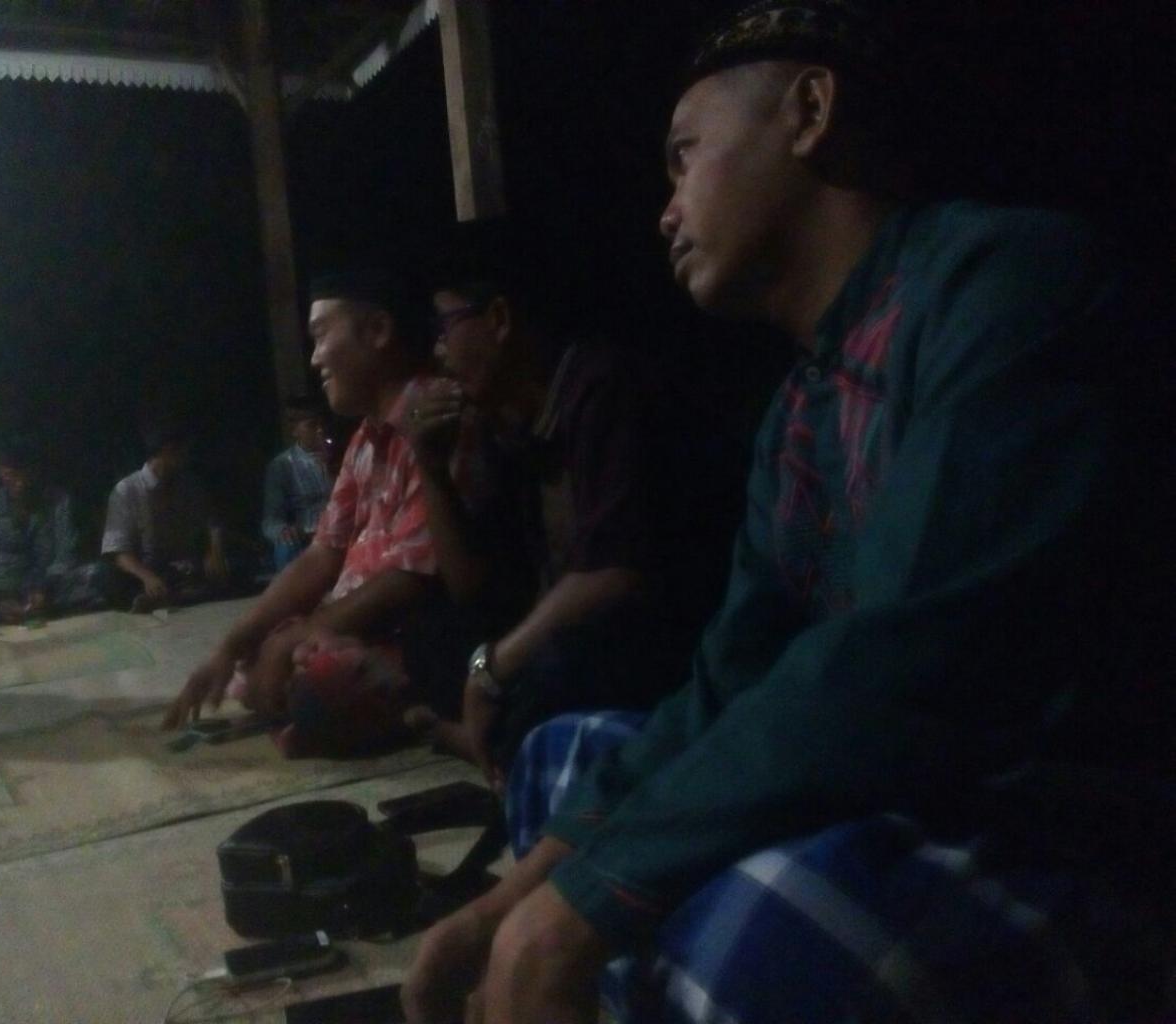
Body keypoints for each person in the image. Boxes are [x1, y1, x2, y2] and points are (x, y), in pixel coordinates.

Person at [402, 4, 1173, 1023]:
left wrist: (586, 905)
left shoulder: (1006, 283)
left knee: (754, 942)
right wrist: (514, 904)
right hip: (891, 789)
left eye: (685, 157)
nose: (665, 212)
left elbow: (908, 662)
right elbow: (731, 679)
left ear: (809, 112)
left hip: (1056, 834)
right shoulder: (801, 406)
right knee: (565, 753)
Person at [404, 262, 721, 785]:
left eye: (443, 329)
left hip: (656, 634)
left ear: (499, 319)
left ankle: (494, 747)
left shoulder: (602, 385)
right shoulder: (504, 422)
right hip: (567, 628)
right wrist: (431, 469)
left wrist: (490, 671)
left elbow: (615, 575)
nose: (437, 352)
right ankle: (498, 741)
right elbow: (472, 589)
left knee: (554, 669)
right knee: (430, 636)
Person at [162, 271, 465, 755]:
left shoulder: (429, 416)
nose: (315, 358)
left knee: (321, 683)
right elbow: (322, 554)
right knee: (264, 658)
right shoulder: (365, 439)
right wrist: (233, 645)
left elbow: (411, 577)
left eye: (322, 335)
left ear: (377, 331)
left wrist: (302, 635)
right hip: (347, 630)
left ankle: (400, 706)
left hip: (403, 635)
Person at [0, 435, 106, 623]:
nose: (21, 484)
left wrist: (44, 589)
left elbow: (65, 556)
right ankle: (3, 613)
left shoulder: (58, 501)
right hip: (0, 591)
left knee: (98, 574)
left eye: (26, 475)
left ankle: (39, 609)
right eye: (12, 475)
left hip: (49, 586)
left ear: (35, 471)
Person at [101, 421, 228, 612]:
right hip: (148, 568)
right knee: (107, 578)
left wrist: (215, 551)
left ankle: (177, 593)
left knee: (237, 563)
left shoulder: (189, 484)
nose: (186, 458)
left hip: (186, 565)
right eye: (182, 452)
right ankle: (172, 594)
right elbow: (118, 552)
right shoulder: (126, 490)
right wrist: (147, 577)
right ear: (168, 451)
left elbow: (212, 522)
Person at [261, 397, 334, 573]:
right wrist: (283, 530)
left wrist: (330, 468)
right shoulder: (283, 465)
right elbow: (272, 517)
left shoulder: (341, 457)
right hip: (306, 535)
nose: (320, 431)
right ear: (295, 430)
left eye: (322, 425)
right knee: (286, 548)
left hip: (339, 529)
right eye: (312, 426)